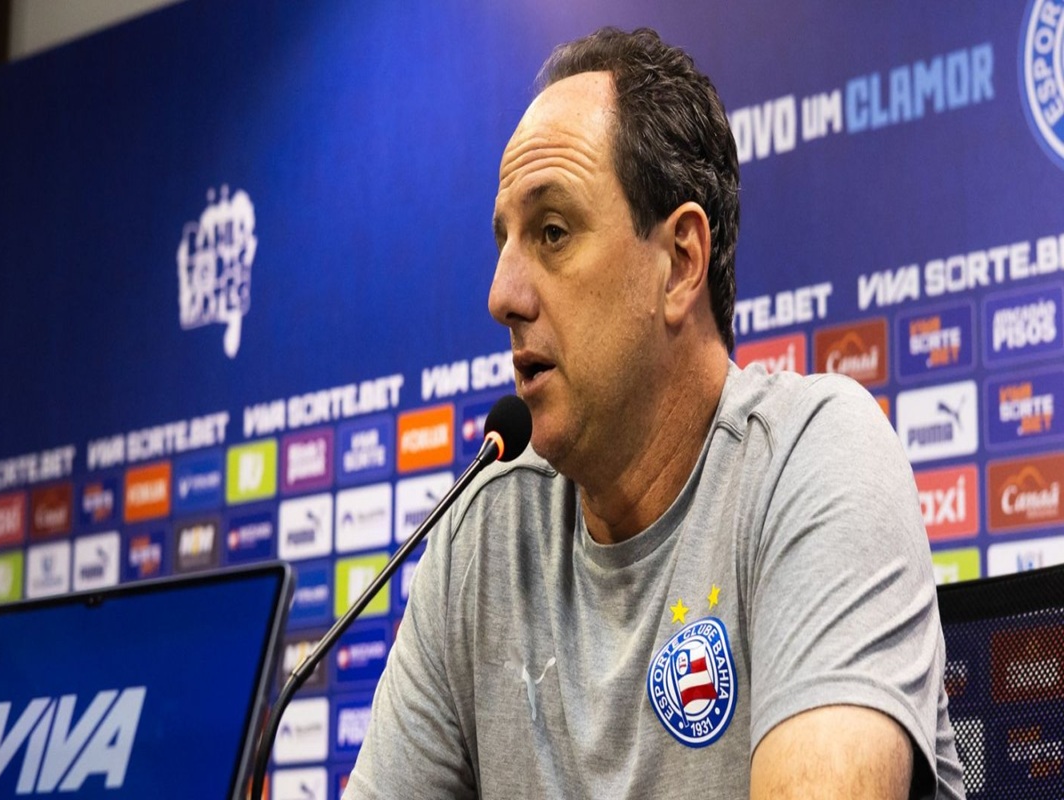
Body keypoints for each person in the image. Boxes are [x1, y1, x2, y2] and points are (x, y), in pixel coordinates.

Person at [347, 27, 965, 798]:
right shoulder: (484, 533)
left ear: (679, 263)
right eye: (504, 242)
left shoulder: (814, 458)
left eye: (552, 233)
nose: (501, 296)